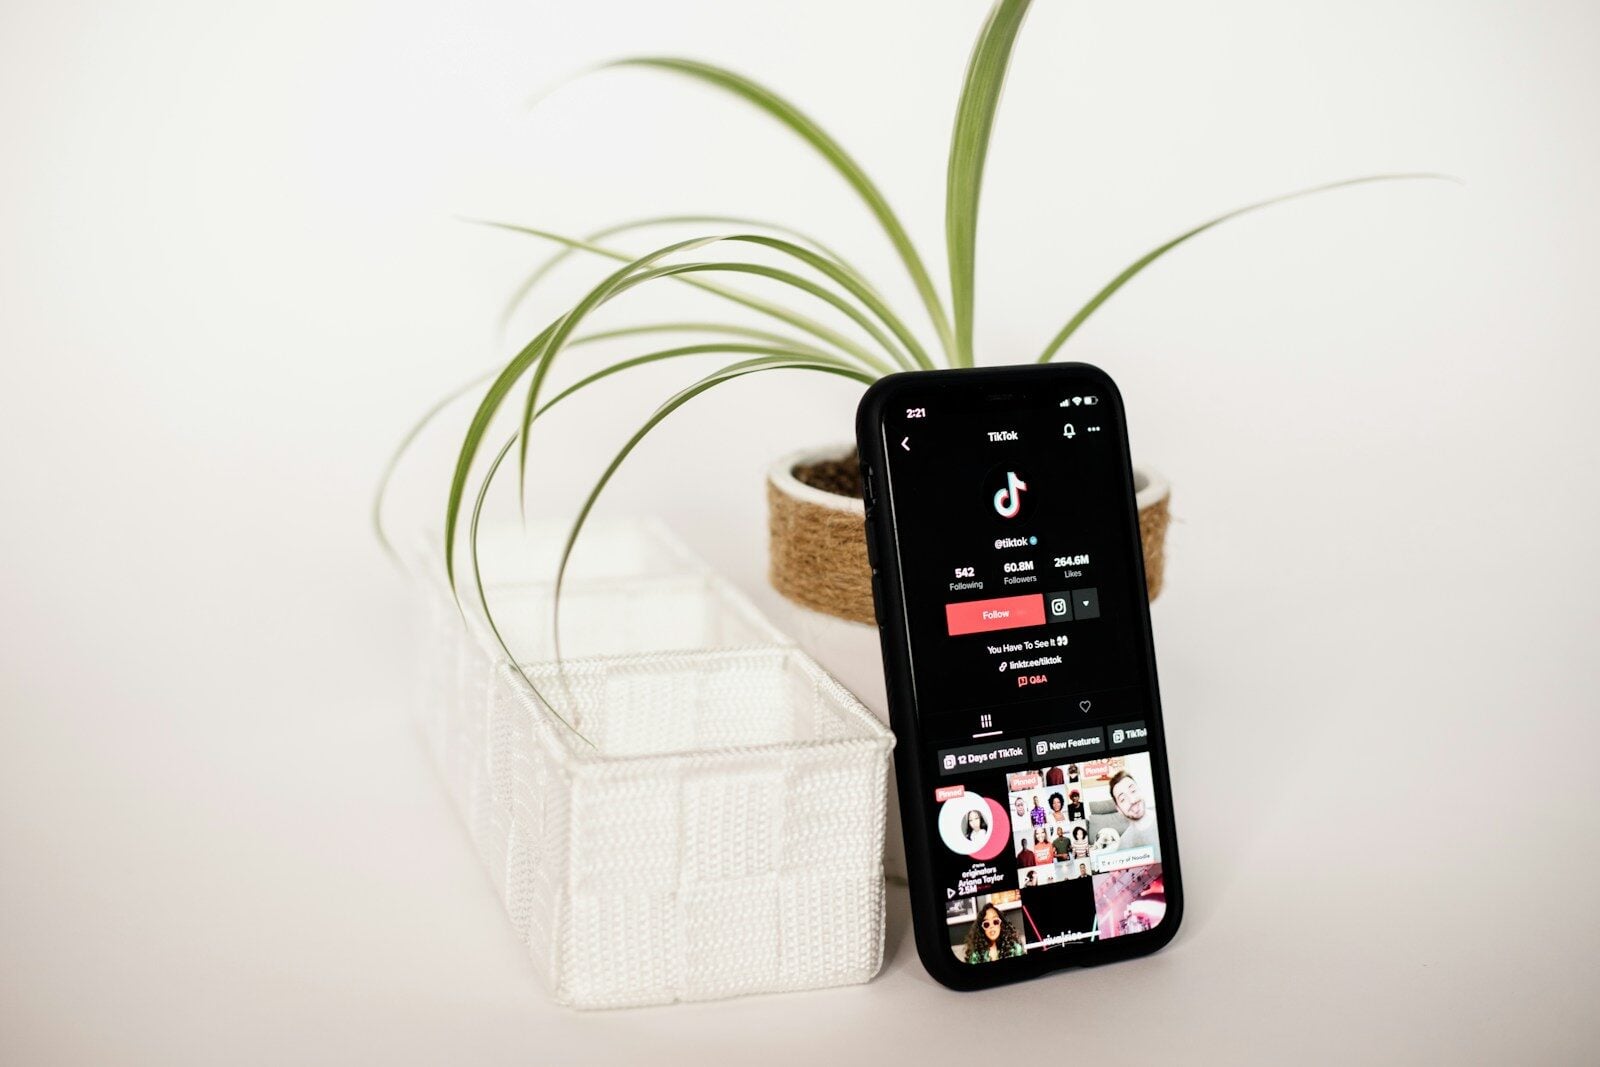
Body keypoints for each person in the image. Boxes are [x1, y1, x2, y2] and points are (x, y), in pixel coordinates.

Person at [1109, 770, 1159, 850]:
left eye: (1133, 791)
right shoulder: (1123, 845)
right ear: (1119, 809)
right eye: (1123, 799)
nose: (1132, 800)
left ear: (1140, 790)